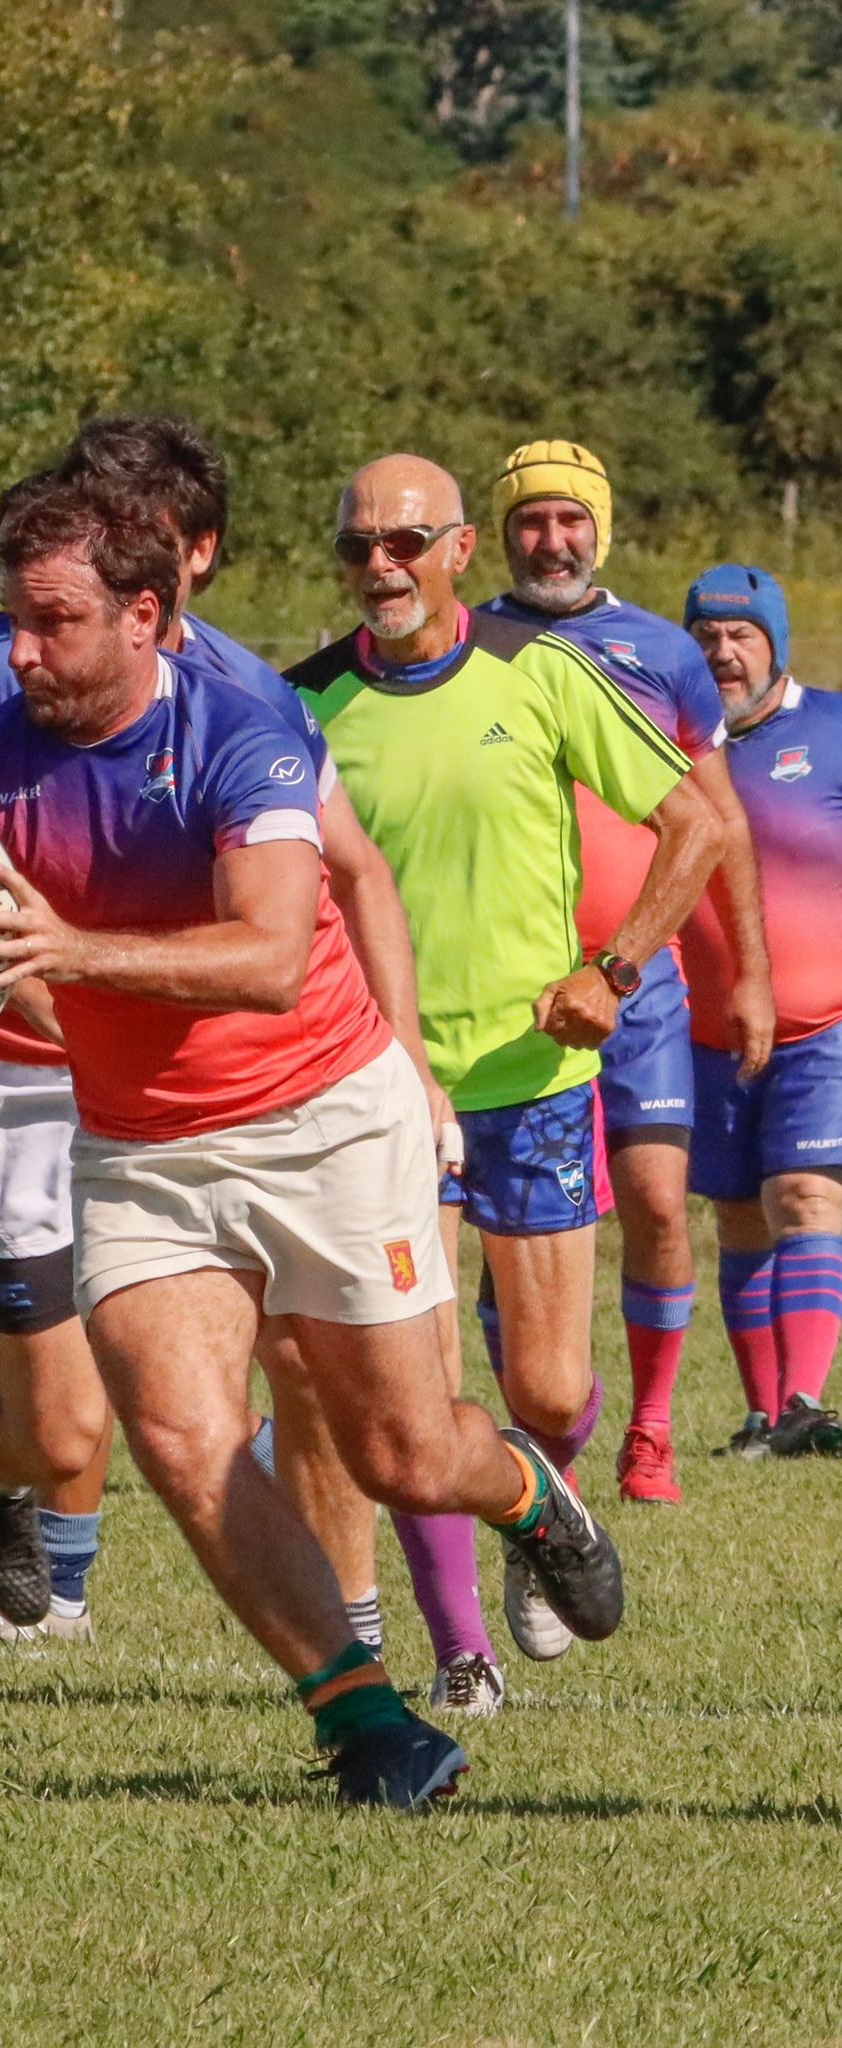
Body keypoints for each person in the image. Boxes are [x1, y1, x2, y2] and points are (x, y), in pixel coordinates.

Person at [0, 464, 626, 1808]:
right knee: (180, 1436)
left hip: (323, 1122)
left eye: (49, 623)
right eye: (9, 619)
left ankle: (524, 1490)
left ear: (140, 614)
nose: (16, 651)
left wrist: (68, 948)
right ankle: (365, 1726)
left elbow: (267, 959)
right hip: (138, 1153)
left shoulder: (244, 722)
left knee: (401, 1453)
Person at [0, 416, 336, 1647]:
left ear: (185, 564)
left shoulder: (247, 698)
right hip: (6, 1082)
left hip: (179, 1086)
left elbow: (340, 882)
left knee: (218, 1367)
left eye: (145, 540)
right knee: (59, 1428)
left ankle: (243, 1615)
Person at [285, 454, 723, 1681]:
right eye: (356, 545)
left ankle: (542, 1497)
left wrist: (617, 968)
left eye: (403, 541)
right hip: (376, 1090)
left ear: (458, 549)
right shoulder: (302, 702)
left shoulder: (541, 673)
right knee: (409, 1404)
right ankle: (458, 1656)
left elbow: (694, 821)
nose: (378, 566)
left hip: (532, 1078)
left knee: (545, 1379)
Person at [483, 441, 772, 1504]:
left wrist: (746, 972)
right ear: (499, 532)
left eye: (569, 521)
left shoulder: (664, 651)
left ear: (600, 529)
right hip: (508, 986)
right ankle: (537, 1415)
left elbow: (717, 818)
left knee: (654, 1202)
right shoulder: (471, 641)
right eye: (529, 521)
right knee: (506, 1224)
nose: (550, 541)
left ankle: (648, 1426)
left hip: (638, 979)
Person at [681, 566, 842, 1457]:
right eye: (705, 637)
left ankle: (805, 1401)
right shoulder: (669, 748)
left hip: (825, 1024)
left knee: (806, 1193)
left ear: (774, 641)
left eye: (740, 635)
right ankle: (762, 1415)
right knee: (738, 1212)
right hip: (708, 1031)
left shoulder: (832, 728)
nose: (721, 652)